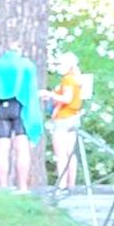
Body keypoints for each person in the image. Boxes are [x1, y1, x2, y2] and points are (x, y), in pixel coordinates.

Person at [0, 41, 42, 192]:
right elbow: (31, 90)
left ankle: (3, 186)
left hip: (2, 107)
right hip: (20, 106)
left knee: (2, 148)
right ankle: (22, 186)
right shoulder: (26, 65)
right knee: (22, 148)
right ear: (20, 50)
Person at [39, 52, 84, 190]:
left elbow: (67, 98)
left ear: (68, 65)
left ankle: (62, 185)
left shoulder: (68, 80)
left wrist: (49, 94)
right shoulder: (77, 80)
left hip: (63, 119)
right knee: (71, 153)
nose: (59, 66)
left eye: (61, 64)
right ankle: (71, 184)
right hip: (74, 117)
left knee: (61, 154)